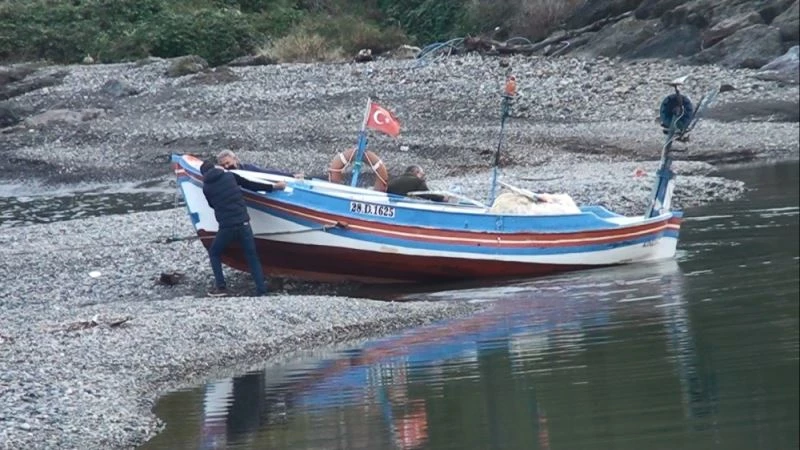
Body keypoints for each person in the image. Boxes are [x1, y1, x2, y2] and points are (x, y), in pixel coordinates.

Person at [200, 159, 286, 297]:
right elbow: (251, 184)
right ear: (216, 167)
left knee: (214, 252)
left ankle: (221, 287)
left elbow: (212, 205)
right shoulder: (230, 176)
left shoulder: (206, 187)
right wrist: (275, 187)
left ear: (204, 174)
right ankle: (261, 290)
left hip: (226, 227)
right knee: (252, 256)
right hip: (243, 223)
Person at [217, 149, 302, 178]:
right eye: (223, 165)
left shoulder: (248, 168)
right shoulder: (221, 174)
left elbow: (266, 173)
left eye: (228, 163)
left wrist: (291, 175)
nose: (226, 166)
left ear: (235, 159)